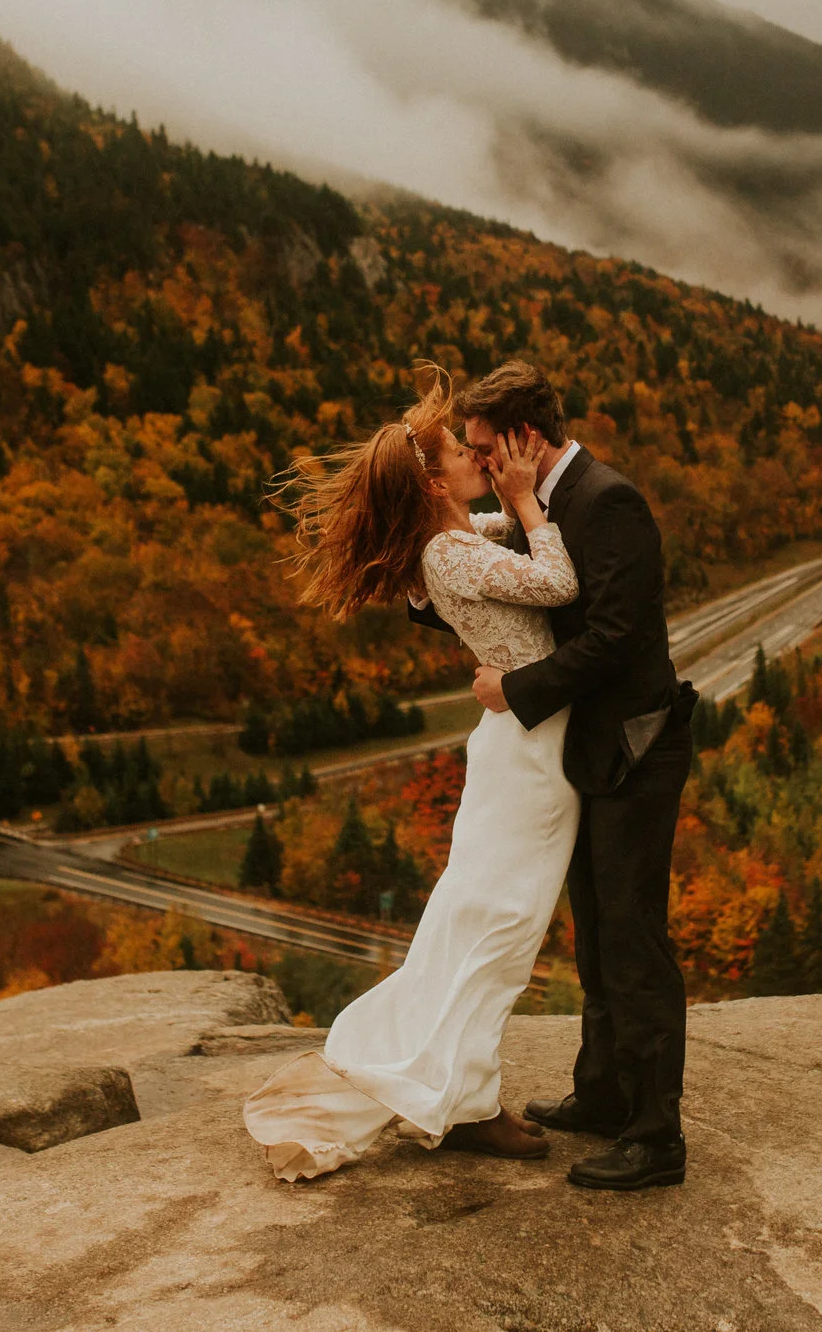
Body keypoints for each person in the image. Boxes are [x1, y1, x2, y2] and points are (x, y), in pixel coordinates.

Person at [241, 366, 579, 1179]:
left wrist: (519, 497)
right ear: (435, 480)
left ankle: (463, 1089)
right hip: (531, 757)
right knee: (500, 927)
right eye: (464, 453)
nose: (480, 457)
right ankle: (467, 1099)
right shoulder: (450, 554)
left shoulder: (457, 540)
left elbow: (502, 535)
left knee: (486, 921)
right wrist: (532, 503)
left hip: (522, 745)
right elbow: (558, 580)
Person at [442, 361, 694, 1193]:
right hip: (589, 752)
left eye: (484, 447)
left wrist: (511, 691)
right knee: (597, 930)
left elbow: (614, 637)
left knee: (633, 943)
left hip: (636, 746)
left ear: (525, 437)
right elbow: (495, 576)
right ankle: (604, 1093)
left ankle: (657, 1137)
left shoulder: (605, 499)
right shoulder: (542, 505)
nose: (478, 461)